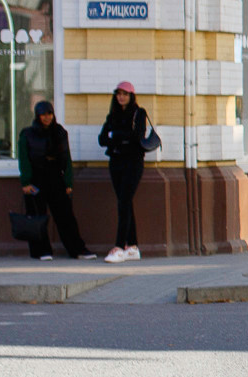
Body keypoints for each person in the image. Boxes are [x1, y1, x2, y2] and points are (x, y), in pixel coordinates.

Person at [16, 100, 91, 262]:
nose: (47, 117)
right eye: (43, 114)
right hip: (36, 178)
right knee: (37, 216)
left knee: (65, 216)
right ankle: (41, 251)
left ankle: (77, 249)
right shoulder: (27, 134)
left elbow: (66, 159)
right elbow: (24, 159)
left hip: (56, 177)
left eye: (49, 114)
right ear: (37, 115)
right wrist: (26, 182)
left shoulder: (59, 132)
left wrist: (68, 182)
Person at [96, 82, 155, 262]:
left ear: (131, 96)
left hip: (133, 163)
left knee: (124, 201)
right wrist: (119, 140)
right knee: (125, 202)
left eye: (125, 94)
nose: (121, 97)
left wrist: (117, 138)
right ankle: (133, 247)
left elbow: (136, 137)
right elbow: (102, 139)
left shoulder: (139, 113)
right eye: (119, 94)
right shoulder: (112, 115)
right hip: (116, 162)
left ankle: (119, 247)